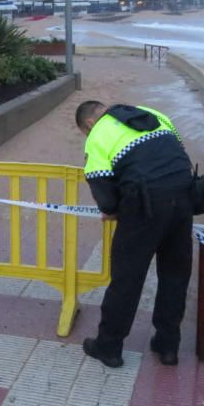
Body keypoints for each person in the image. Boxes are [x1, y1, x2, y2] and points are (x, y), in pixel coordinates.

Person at [76, 100, 195, 368]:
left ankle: (109, 347)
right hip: (183, 194)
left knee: (126, 278)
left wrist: (114, 209)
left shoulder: (99, 133)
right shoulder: (154, 113)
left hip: (145, 205)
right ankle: (168, 344)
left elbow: (103, 190)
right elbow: (179, 154)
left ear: (89, 124)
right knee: (175, 273)